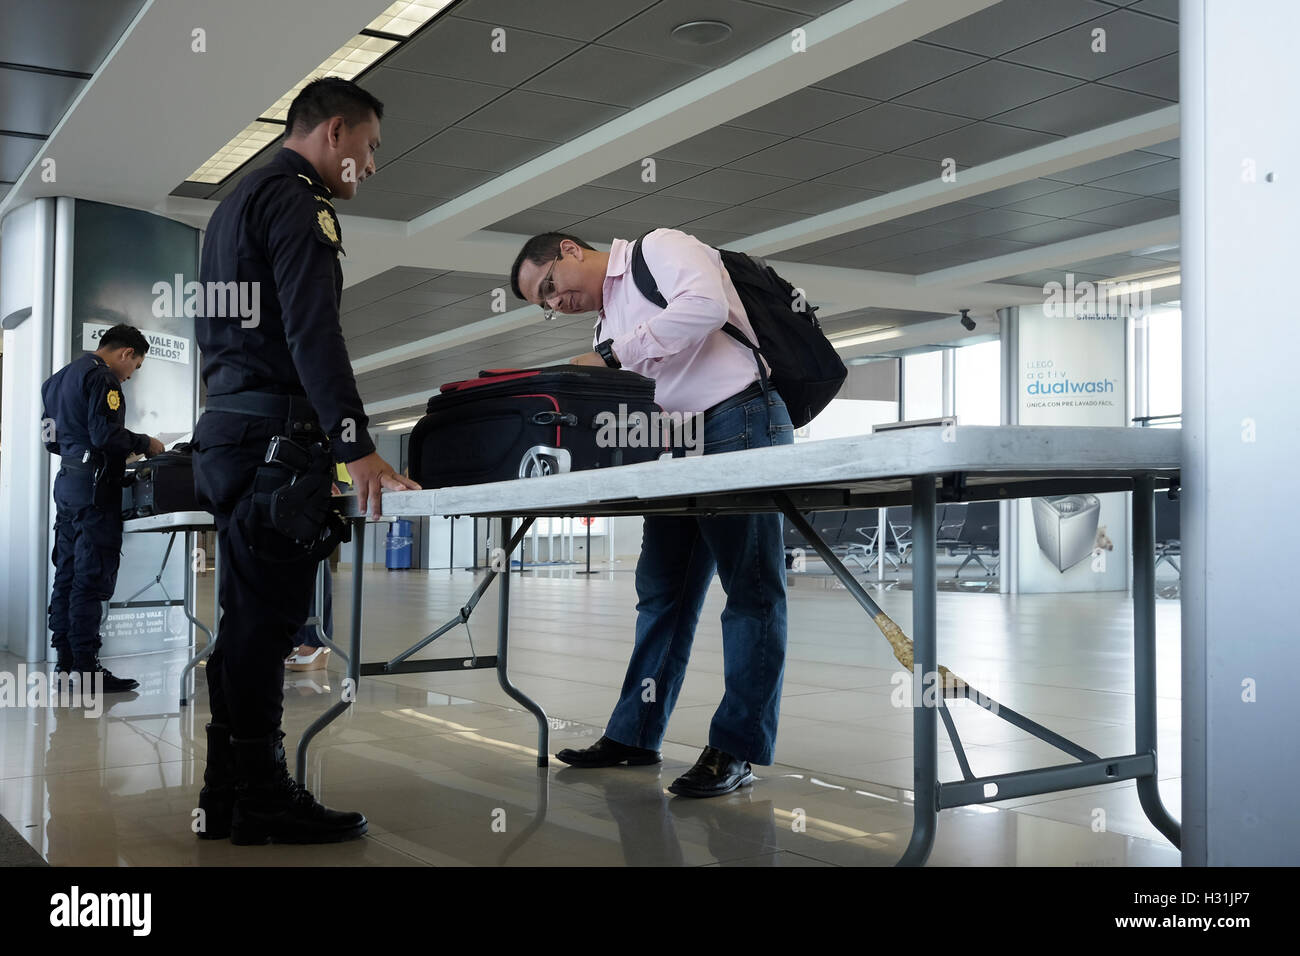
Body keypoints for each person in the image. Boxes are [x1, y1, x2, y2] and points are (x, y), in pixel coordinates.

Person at [192, 77, 418, 845]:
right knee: (269, 624)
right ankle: (261, 795)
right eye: (370, 148)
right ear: (333, 133)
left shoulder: (233, 206)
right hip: (273, 447)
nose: (372, 165)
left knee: (245, 621)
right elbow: (312, 332)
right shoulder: (296, 200)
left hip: (229, 434)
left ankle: (226, 792)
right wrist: (356, 448)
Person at [510, 229, 794, 797]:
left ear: (569, 250)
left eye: (549, 286)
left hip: (739, 420)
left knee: (751, 590)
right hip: (672, 444)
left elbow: (706, 308)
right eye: (545, 305)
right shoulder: (604, 321)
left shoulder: (658, 249)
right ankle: (636, 734)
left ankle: (736, 748)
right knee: (663, 593)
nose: (555, 303)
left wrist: (612, 355)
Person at [42, 324, 165, 692]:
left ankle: (65, 662)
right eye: (136, 366)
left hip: (67, 482)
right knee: (90, 575)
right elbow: (104, 435)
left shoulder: (56, 381)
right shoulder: (103, 379)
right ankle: (87, 667)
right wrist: (146, 442)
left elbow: (51, 441)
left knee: (66, 570)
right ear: (126, 353)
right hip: (96, 488)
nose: (130, 375)